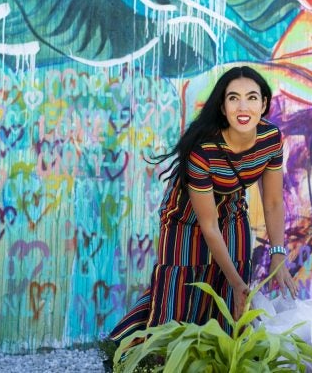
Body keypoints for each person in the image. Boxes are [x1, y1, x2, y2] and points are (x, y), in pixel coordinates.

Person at [107, 66, 298, 346]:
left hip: (232, 209)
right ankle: (131, 351)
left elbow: (272, 202)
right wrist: (236, 281)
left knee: (231, 289)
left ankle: (216, 359)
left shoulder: (270, 139)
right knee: (180, 291)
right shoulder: (202, 149)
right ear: (222, 106)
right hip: (185, 217)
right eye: (233, 98)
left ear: (264, 104)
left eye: (252, 98)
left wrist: (278, 253)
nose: (243, 107)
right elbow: (208, 225)